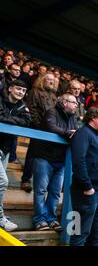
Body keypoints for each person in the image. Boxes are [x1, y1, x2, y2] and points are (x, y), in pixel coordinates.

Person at [31, 93, 78, 231]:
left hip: (61, 159)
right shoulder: (52, 112)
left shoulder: (73, 117)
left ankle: (51, 219)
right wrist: (67, 132)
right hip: (44, 156)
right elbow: (51, 127)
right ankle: (39, 220)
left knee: (56, 192)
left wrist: (71, 132)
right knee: (41, 190)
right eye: (74, 102)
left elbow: (76, 132)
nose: (76, 105)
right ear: (64, 103)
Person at [70, 107, 98, 246]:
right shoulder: (83, 133)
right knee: (80, 233)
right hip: (87, 191)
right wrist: (87, 186)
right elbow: (78, 161)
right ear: (93, 117)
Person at [0, 80, 31, 231]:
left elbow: (27, 122)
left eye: (23, 90)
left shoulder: (22, 106)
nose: (20, 92)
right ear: (11, 88)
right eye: (18, 89)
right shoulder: (0, 98)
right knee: (3, 181)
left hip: (5, 149)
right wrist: (14, 121)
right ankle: (0, 218)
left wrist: (9, 120)